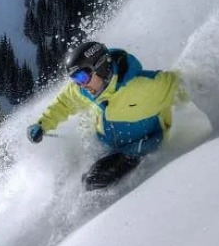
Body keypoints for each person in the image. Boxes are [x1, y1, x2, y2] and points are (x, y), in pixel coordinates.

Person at [27, 41, 182, 190]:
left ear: (100, 67)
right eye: (75, 80)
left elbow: (184, 83)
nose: (81, 85)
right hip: (107, 147)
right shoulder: (85, 91)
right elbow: (64, 103)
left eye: (82, 77)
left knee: (93, 180)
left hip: (142, 145)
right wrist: (42, 124)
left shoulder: (142, 86)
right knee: (68, 176)